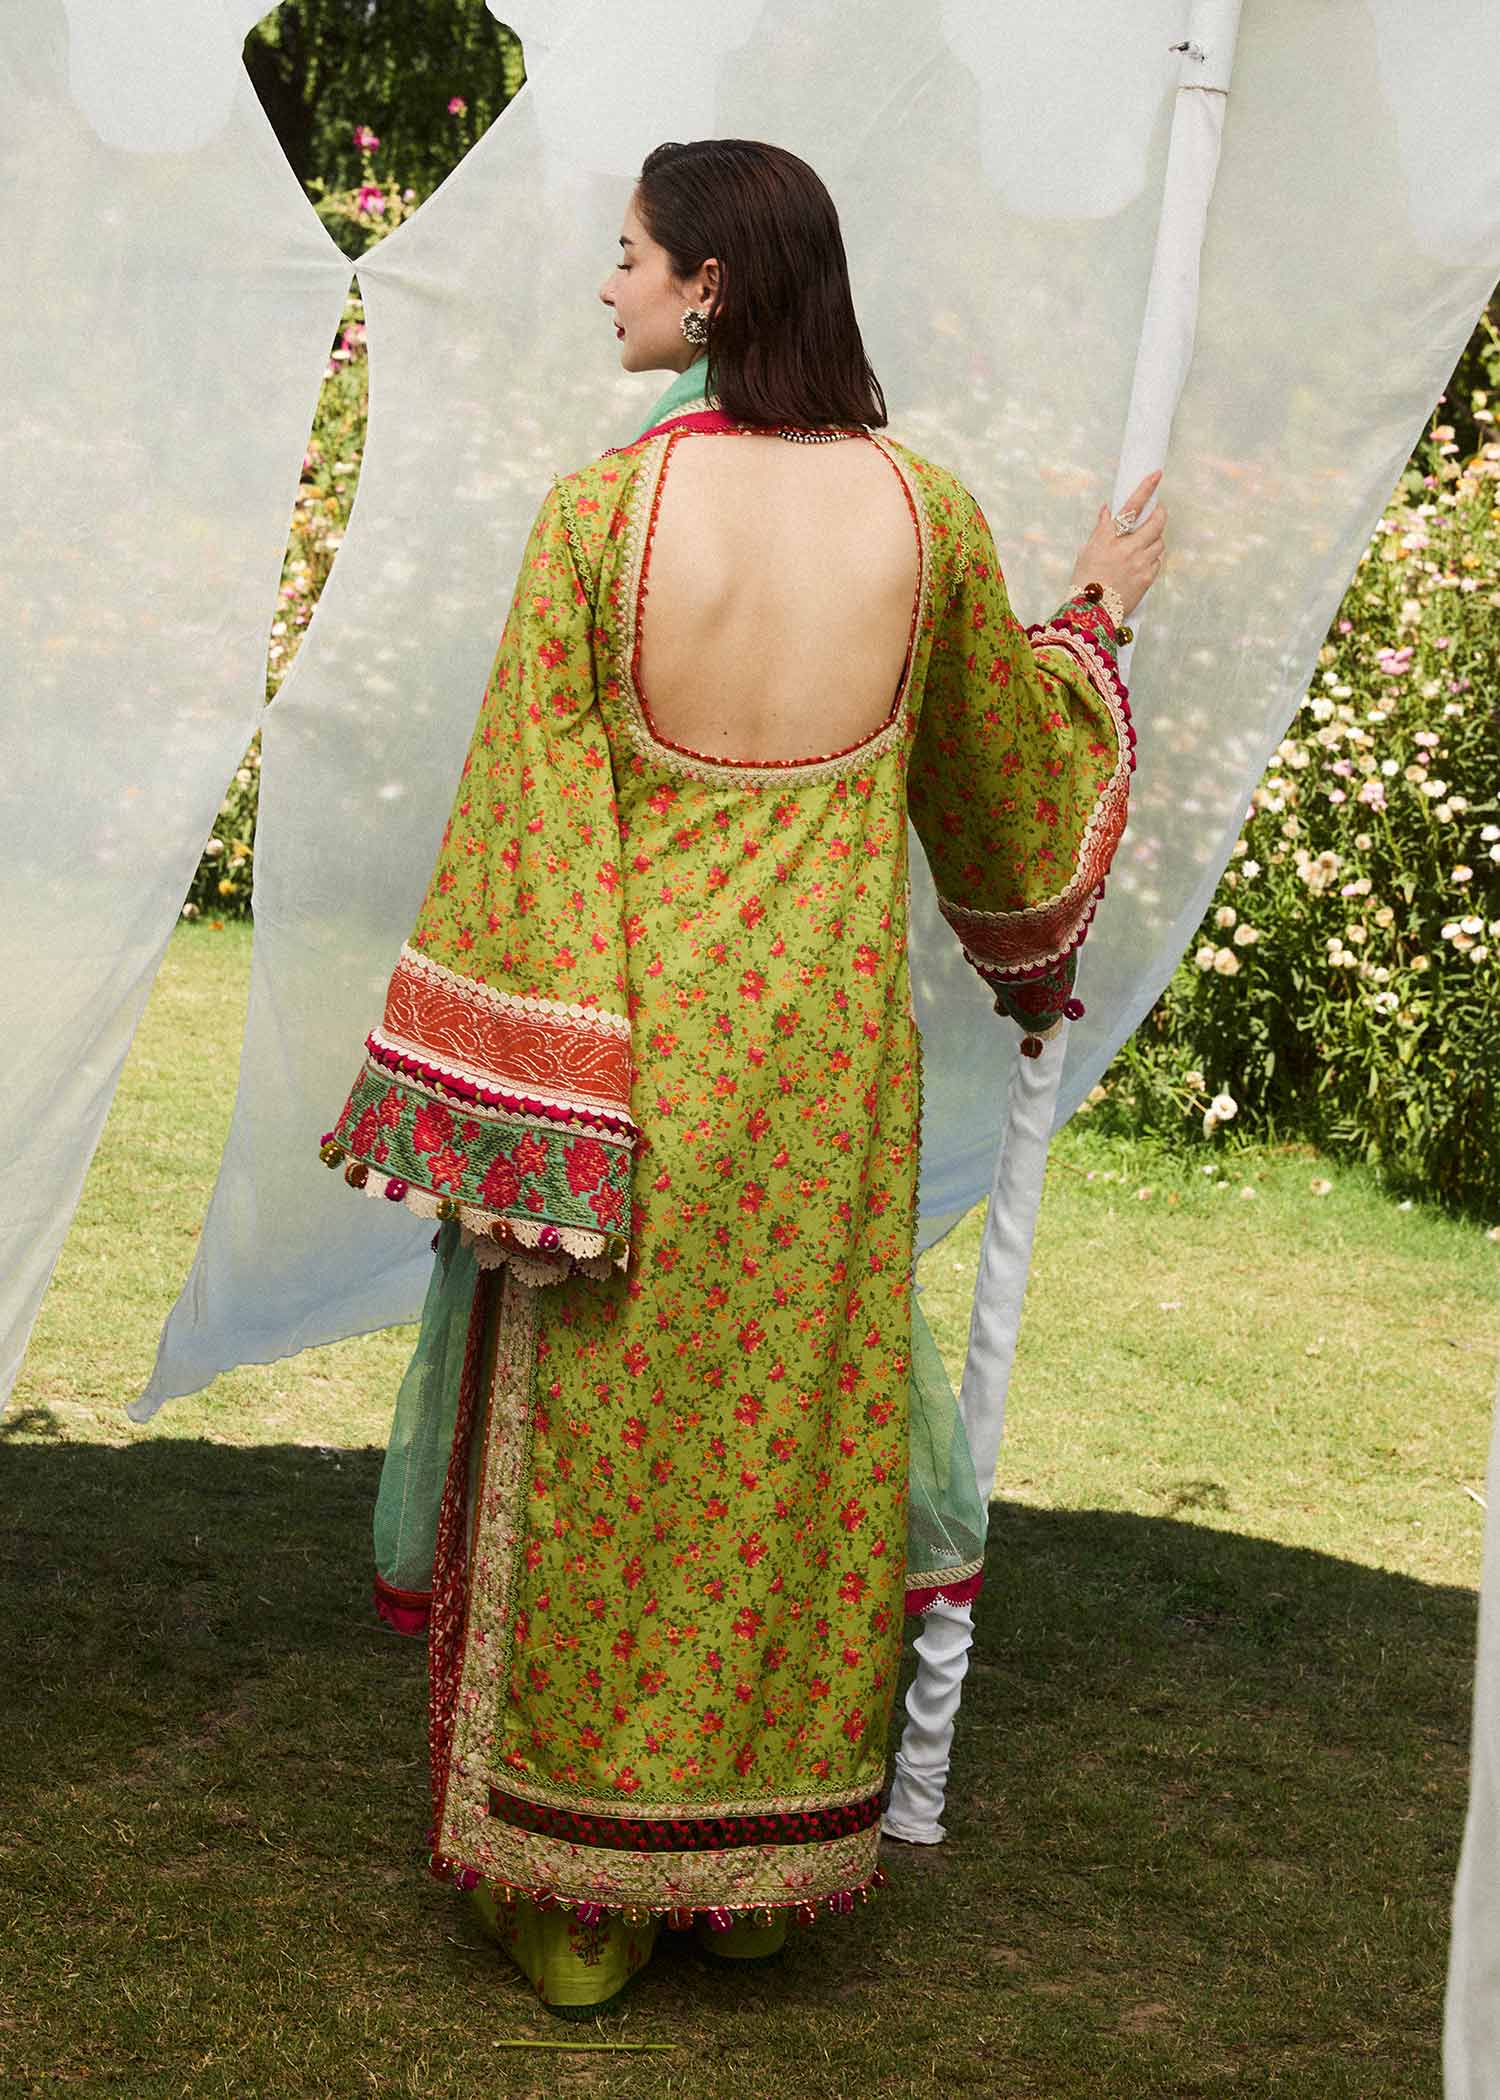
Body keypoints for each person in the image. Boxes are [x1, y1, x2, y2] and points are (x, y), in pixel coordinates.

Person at [317, 137, 1165, 2016]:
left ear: (709, 285)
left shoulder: (601, 522)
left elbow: (533, 829)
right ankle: (755, 1883)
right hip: (825, 1081)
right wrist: (1093, 623)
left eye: (628, 254)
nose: (606, 283)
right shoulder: (927, 520)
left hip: (627, 1067)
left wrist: (536, 1101)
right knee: (791, 1452)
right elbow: (1011, 800)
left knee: (599, 1449)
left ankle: (580, 1904)